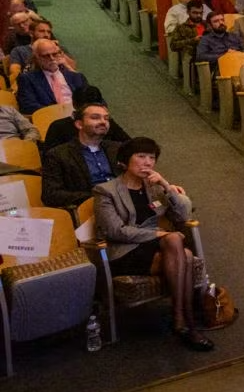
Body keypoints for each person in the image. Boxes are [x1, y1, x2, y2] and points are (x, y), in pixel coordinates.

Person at [93, 137, 212, 351]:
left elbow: (183, 214)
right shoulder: (106, 191)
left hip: (157, 247)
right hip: (124, 252)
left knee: (182, 253)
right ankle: (187, 323)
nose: (147, 162)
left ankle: (182, 322)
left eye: (152, 158)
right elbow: (115, 231)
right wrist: (158, 235)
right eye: (141, 156)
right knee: (176, 242)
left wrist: (166, 185)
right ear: (124, 161)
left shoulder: (154, 187)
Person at [41, 102, 121, 209]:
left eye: (106, 118)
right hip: (90, 208)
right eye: (95, 118)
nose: (103, 122)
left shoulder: (118, 149)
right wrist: (95, 196)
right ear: (79, 124)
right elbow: (50, 195)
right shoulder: (58, 155)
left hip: (124, 203)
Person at [40, 86, 130, 153]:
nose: (102, 121)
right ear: (75, 106)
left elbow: (129, 145)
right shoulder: (58, 127)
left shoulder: (107, 124)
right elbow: (49, 158)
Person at [17, 39, 88, 114]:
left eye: (54, 54)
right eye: (46, 56)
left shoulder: (77, 77)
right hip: (50, 118)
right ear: (37, 58)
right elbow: (27, 106)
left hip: (79, 116)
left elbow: (94, 100)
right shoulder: (28, 79)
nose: (52, 58)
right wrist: (57, 112)